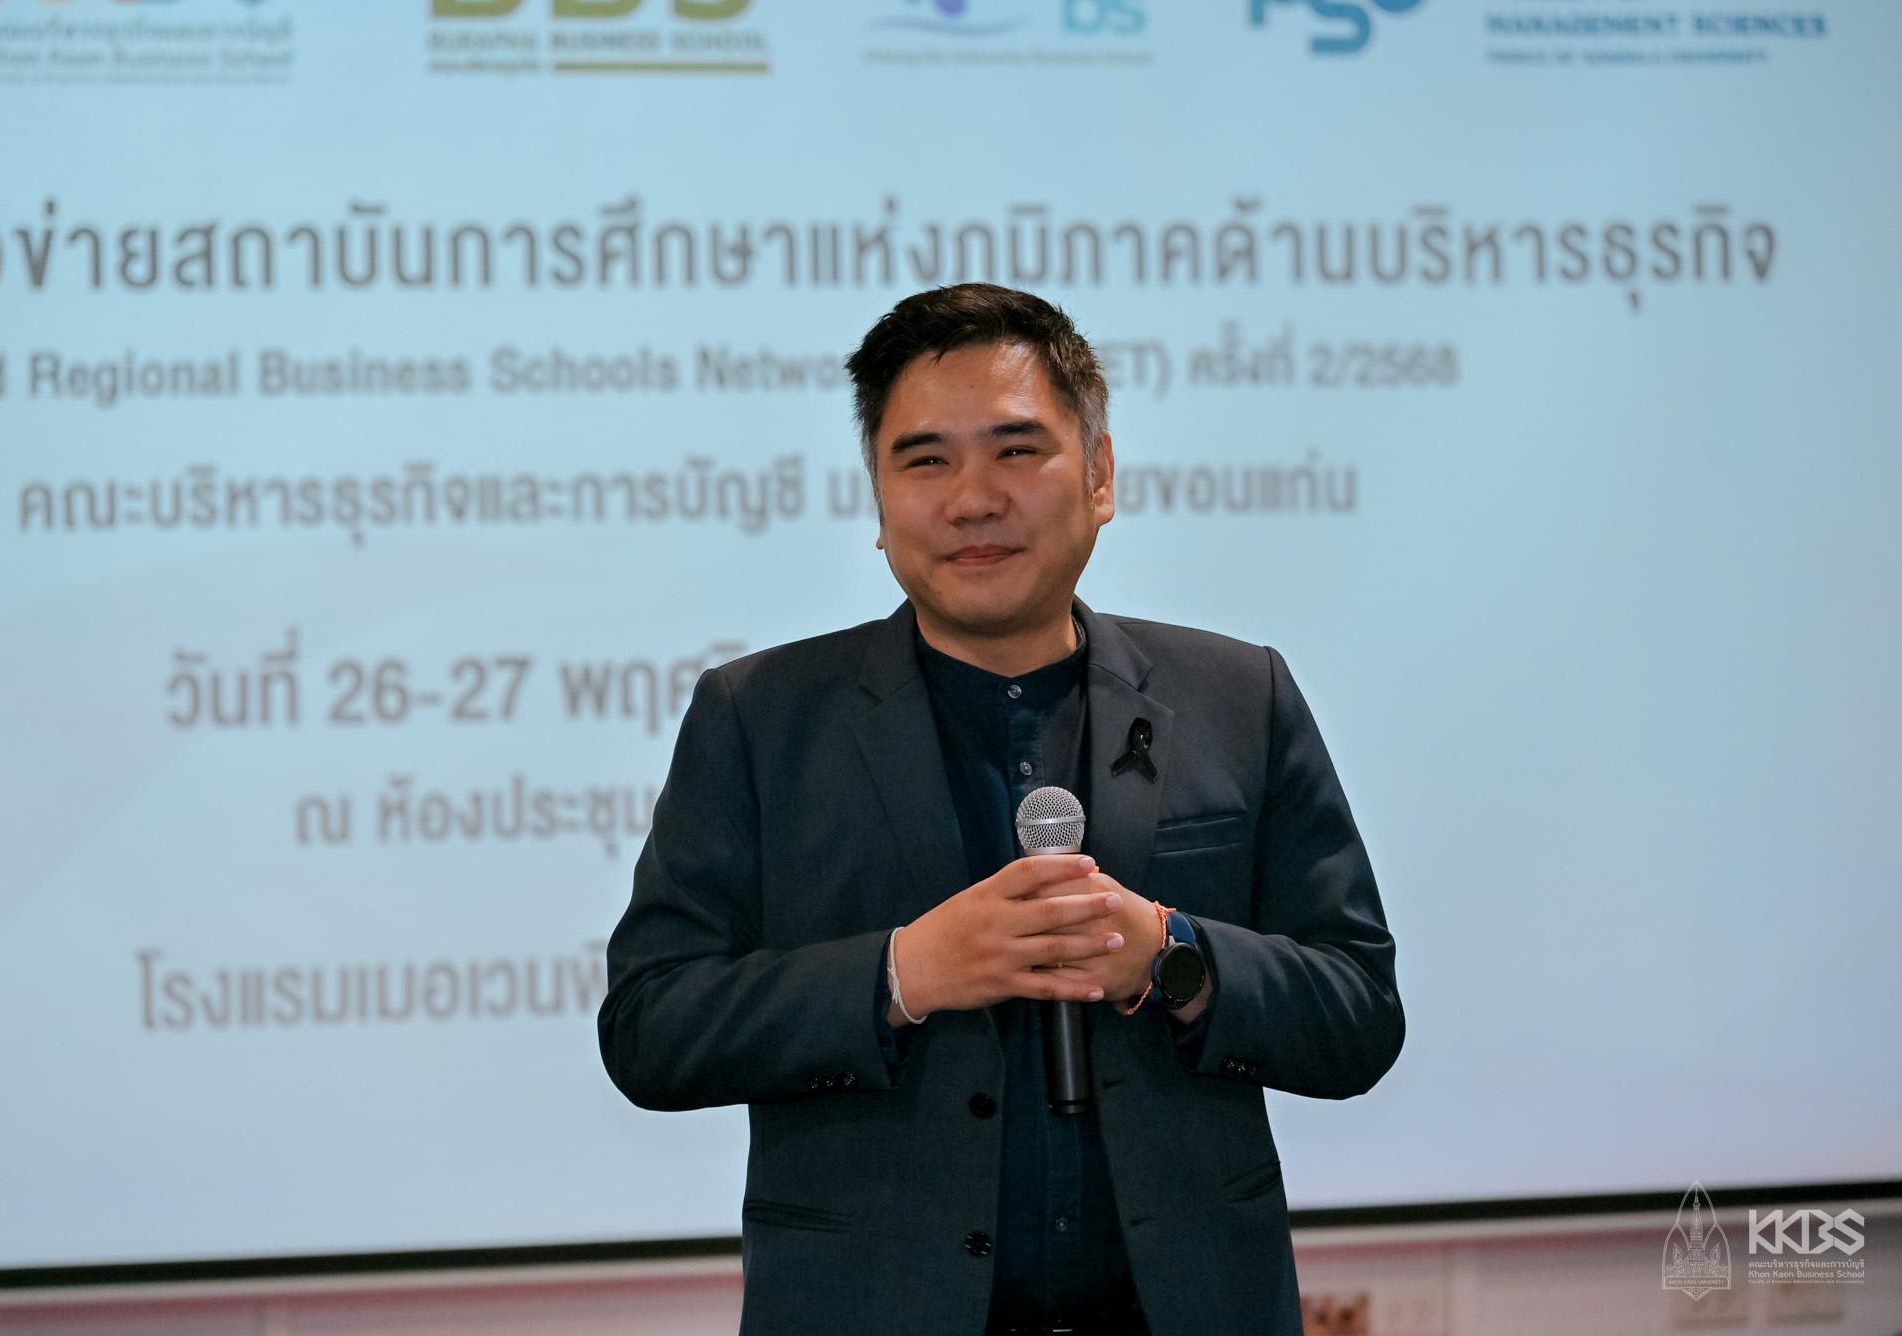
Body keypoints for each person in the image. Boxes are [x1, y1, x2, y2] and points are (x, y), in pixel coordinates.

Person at [597, 283, 1403, 1336]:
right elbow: (651, 1027)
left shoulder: (1237, 697)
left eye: (1016, 450)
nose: (972, 499)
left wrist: (1168, 956)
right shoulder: (759, 719)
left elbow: (1357, 1014)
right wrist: (902, 975)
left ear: (1100, 475)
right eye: (924, 461)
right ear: (878, 501)